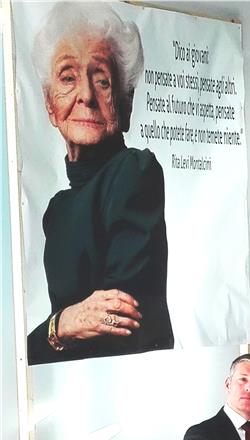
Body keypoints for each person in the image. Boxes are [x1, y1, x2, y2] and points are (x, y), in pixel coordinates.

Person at [27, 2, 172, 365]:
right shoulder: (58, 209)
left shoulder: (135, 170)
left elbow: (116, 319)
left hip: (127, 377)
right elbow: (69, 326)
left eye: (102, 80)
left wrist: (55, 331)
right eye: (68, 77)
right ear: (49, 103)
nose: (87, 96)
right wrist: (63, 326)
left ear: (126, 103)